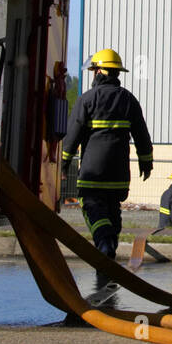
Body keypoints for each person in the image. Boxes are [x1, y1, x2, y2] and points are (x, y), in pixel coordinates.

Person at [62, 48, 152, 258]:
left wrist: (63, 165)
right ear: (117, 73)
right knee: (112, 210)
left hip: (93, 174)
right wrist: (146, 163)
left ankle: (105, 244)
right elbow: (142, 136)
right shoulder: (129, 100)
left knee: (92, 208)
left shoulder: (87, 99)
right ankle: (108, 248)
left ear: (98, 72)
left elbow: (72, 136)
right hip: (119, 175)